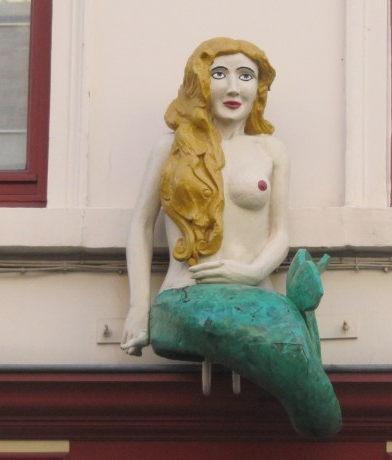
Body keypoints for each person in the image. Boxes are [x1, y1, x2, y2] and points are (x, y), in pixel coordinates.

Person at [121, 37, 289, 357]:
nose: (233, 89)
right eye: (219, 74)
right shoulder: (170, 148)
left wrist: (253, 272)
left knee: (288, 351)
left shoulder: (271, 150)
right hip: (185, 295)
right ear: (199, 82)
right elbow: (141, 225)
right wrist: (138, 308)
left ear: (259, 88)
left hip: (255, 299)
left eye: (246, 76)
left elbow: (280, 232)